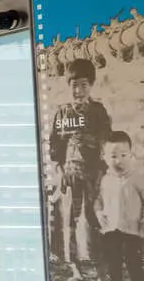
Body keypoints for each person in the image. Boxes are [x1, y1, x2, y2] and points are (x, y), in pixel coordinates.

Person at [48, 58, 113, 264]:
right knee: (68, 216)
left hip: (93, 172)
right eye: (74, 86)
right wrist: (59, 171)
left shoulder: (98, 111)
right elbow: (55, 146)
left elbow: (106, 141)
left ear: (91, 85)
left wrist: (102, 169)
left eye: (83, 85)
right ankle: (72, 262)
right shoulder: (62, 112)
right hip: (69, 173)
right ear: (68, 86)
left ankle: (96, 258)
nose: (79, 91)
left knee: (93, 213)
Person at [96, 131, 144, 281]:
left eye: (123, 155)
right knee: (113, 262)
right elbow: (99, 201)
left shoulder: (137, 179)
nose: (118, 160)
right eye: (113, 156)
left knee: (134, 264)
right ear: (104, 157)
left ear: (131, 155)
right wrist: (99, 212)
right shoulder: (105, 180)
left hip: (132, 230)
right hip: (111, 230)